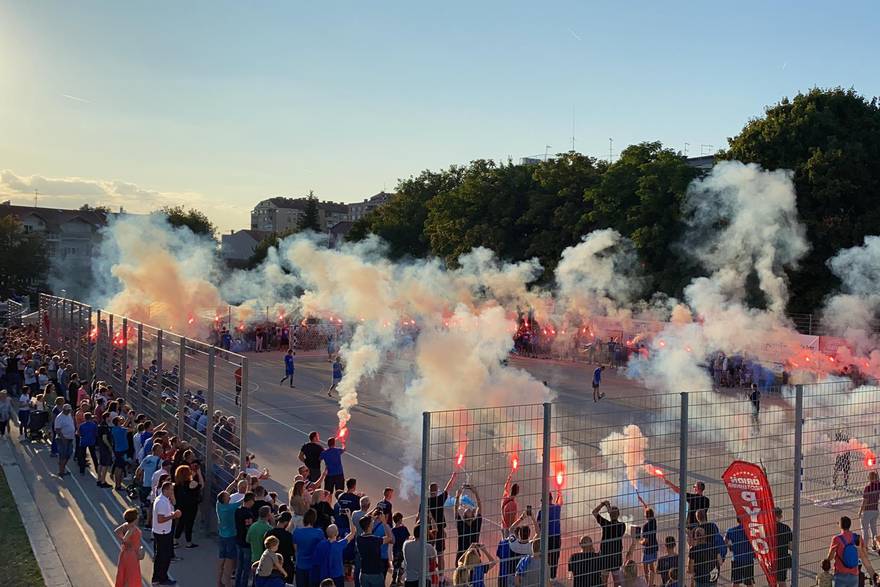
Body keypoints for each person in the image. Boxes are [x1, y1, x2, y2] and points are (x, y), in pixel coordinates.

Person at [825, 516, 878, 587]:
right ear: (849, 525)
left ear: (840, 526)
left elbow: (830, 557)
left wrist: (827, 560)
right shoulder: (857, 537)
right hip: (854, 573)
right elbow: (865, 554)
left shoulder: (836, 539)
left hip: (840, 573)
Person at [426, 469, 458, 575]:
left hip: (429, 531)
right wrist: (453, 478)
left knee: (428, 553)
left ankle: (428, 572)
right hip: (439, 530)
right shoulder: (440, 499)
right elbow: (448, 488)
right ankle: (441, 576)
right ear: (436, 490)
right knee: (440, 554)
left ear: (430, 491)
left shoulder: (426, 501)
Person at [152, 481, 182, 586]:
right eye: (171, 490)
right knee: (163, 557)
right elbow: (160, 519)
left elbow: (172, 505)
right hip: (162, 533)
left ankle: (158, 578)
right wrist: (173, 516)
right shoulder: (161, 502)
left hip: (164, 531)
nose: (172, 491)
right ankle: (161, 578)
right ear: (165, 490)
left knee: (162, 556)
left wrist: (172, 498)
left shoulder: (165, 500)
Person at [592, 500, 626, 585]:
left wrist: (603, 504)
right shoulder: (622, 525)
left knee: (604, 581)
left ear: (609, 514)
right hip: (616, 557)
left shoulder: (606, 524)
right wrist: (609, 509)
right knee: (617, 582)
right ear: (618, 515)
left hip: (605, 557)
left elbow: (594, 512)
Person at [357, 513, 394, 587]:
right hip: (375, 574)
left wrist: (370, 519)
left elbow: (363, 524)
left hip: (364, 573)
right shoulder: (376, 540)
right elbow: (390, 537)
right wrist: (384, 522)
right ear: (370, 525)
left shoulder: (359, 539)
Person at [316, 522, 356, 587]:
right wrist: (349, 517)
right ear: (337, 533)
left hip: (324, 575)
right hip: (337, 576)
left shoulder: (320, 544)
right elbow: (353, 533)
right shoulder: (339, 545)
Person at [294, 509, 325, 587]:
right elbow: (322, 548)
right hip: (314, 566)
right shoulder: (319, 532)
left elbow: (295, 548)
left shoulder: (296, 532)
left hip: (300, 565)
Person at [174, 465, 202, 549]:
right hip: (191, 506)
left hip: (180, 506)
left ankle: (175, 540)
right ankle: (188, 542)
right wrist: (198, 474)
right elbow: (201, 485)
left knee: (181, 523)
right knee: (189, 524)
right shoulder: (191, 483)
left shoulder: (177, 485)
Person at [114, 507, 143, 587]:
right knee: (132, 575)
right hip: (131, 555)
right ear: (134, 518)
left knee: (123, 573)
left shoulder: (125, 525)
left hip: (125, 553)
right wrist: (129, 543)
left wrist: (126, 543)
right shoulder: (132, 528)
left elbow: (116, 531)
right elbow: (125, 539)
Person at [216, 492, 240, 587]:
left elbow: (226, 490)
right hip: (231, 537)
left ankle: (219, 582)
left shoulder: (219, 505)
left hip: (222, 536)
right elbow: (242, 501)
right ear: (225, 499)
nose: (230, 497)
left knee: (221, 560)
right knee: (229, 561)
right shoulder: (230, 508)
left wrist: (236, 481)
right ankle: (228, 583)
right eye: (228, 497)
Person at [455, 483, 484, 562]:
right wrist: (458, 496)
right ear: (465, 516)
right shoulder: (461, 524)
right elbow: (456, 511)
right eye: (467, 511)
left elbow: (479, 508)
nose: (469, 509)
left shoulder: (476, 523)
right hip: (463, 556)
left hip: (473, 555)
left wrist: (476, 493)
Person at [537, 490, 563, 580]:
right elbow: (559, 503)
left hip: (546, 536)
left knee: (545, 556)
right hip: (556, 537)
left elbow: (538, 525)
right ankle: (553, 576)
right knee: (555, 556)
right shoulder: (556, 508)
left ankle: (545, 575)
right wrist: (560, 493)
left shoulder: (542, 511)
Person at [265, 511, 295, 582]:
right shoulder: (288, 535)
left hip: (271, 565)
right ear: (286, 522)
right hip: (286, 564)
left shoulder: (269, 533)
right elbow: (292, 551)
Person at [235, 493, 257, 587]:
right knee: (246, 568)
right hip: (246, 543)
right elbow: (249, 528)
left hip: (238, 540)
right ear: (250, 500)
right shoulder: (248, 514)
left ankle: (237, 584)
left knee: (239, 567)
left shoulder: (238, 510)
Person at [724, 520, 755, 587]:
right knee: (749, 582)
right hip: (748, 559)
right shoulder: (750, 531)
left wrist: (730, 547)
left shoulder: (731, 530)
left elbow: (725, 541)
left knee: (736, 582)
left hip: (737, 559)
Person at [859, 470, 880, 552]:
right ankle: (874, 545)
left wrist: (860, 511)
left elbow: (865, 501)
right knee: (873, 528)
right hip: (875, 510)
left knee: (864, 529)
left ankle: (865, 547)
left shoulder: (867, 488)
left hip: (867, 511)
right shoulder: (878, 486)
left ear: (870, 478)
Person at [53, 403, 76, 477]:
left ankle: (62, 467)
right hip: (63, 439)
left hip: (70, 438)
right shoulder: (59, 418)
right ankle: (61, 471)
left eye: (69, 410)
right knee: (63, 455)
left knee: (68, 454)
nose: (69, 411)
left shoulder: (68, 415)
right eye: (68, 410)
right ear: (63, 410)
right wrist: (63, 439)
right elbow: (57, 430)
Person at [773, 508, 793, 587]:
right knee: (782, 581)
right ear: (780, 516)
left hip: (771, 557)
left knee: (771, 580)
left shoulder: (767, 527)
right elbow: (791, 546)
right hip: (782, 557)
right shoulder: (786, 528)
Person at [391, 512, 410, 587]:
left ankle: (393, 581)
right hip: (403, 550)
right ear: (399, 520)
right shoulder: (404, 528)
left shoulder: (393, 530)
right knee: (402, 566)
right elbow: (407, 537)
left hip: (396, 550)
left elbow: (392, 540)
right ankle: (399, 580)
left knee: (395, 566)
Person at [641, 507, 658, 586]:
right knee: (651, 565)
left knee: (645, 566)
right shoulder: (654, 522)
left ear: (646, 516)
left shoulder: (645, 526)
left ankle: (648, 583)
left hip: (648, 549)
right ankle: (652, 582)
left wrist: (640, 542)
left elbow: (646, 541)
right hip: (654, 546)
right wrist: (645, 506)